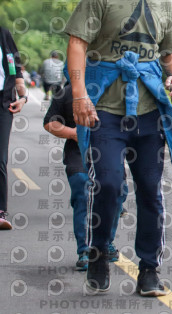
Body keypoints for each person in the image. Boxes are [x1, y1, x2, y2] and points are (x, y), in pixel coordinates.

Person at [65, 0, 172, 296]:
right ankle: (100, 252)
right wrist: (80, 96)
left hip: (150, 113)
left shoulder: (165, 4)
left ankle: (149, 268)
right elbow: (77, 43)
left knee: (151, 190)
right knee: (109, 186)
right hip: (105, 112)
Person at [43, 83, 128, 270]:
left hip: (111, 154)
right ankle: (85, 250)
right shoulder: (67, 92)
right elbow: (50, 122)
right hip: (79, 154)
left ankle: (107, 242)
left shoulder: (116, 87)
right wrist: (73, 133)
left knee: (117, 192)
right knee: (83, 189)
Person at [0, 26, 28, 230]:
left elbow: (14, 68)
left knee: (0, 157)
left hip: (3, 101)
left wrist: (23, 96)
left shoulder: (3, 33)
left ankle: (0, 211)